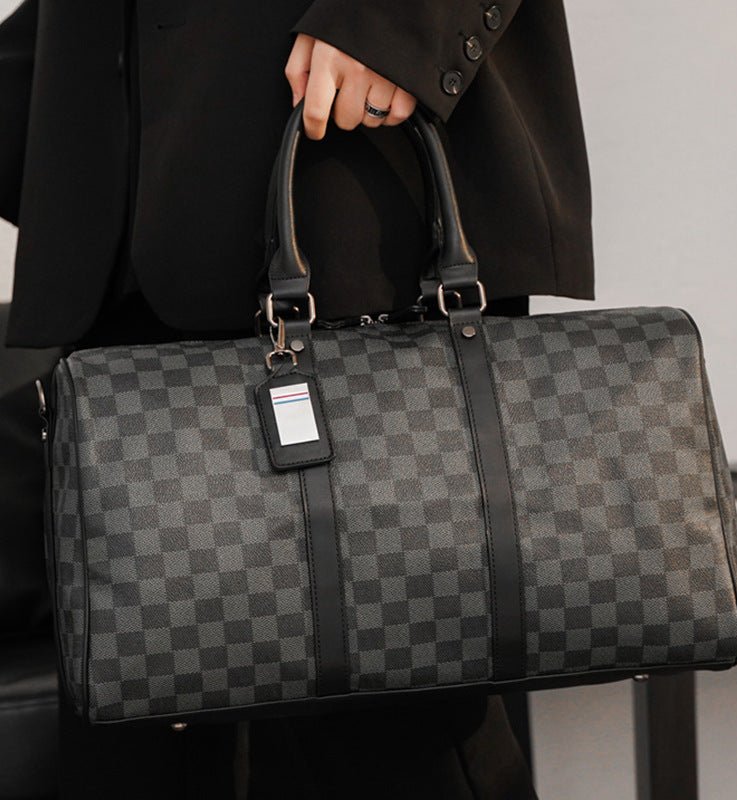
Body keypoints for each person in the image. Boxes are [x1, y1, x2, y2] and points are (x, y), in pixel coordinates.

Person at [0, 1, 594, 797]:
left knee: (390, 727)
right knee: (133, 728)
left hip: (356, 219)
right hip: (131, 261)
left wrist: (393, 18)